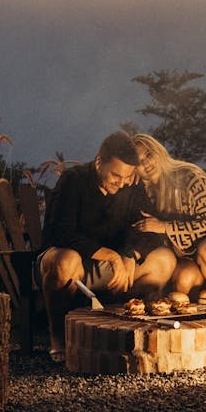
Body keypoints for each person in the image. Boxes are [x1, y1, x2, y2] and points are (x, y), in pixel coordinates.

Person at [39, 131, 175, 362]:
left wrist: (130, 255)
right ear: (99, 162)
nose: (121, 183)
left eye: (127, 177)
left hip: (112, 271)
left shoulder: (130, 185)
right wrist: (112, 257)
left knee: (165, 260)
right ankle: (58, 338)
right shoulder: (74, 180)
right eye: (115, 175)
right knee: (66, 261)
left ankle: (120, 327)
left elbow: (148, 229)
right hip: (69, 264)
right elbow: (63, 233)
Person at [130, 133, 206, 297]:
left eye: (149, 155)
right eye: (138, 162)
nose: (145, 163)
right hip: (186, 255)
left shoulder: (190, 176)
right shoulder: (146, 193)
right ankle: (197, 318)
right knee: (185, 277)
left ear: (158, 152)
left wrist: (165, 226)